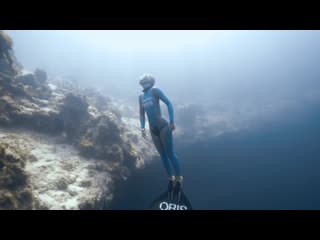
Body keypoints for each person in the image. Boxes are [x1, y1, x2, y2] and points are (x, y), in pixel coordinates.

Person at [138, 73, 183, 200]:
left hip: (164, 127)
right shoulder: (140, 97)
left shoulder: (155, 90)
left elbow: (168, 103)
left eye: (145, 77)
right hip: (153, 130)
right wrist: (142, 127)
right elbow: (142, 114)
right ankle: (171, 178)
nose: (142, 78)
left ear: (150, 80)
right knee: (162, 155)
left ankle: (179, 179)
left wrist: (172, 121)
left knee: (170, 153)